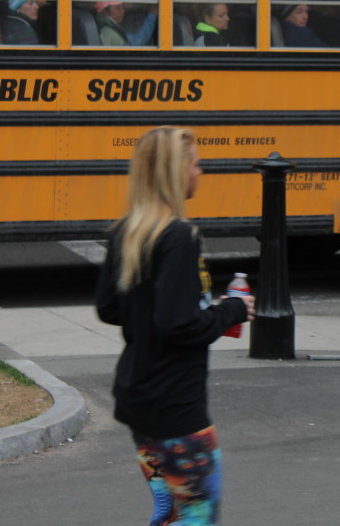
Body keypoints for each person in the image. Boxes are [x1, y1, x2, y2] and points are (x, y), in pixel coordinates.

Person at [95, 126, 255, 526]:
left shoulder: (127, 231)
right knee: (197, 516)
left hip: (138, 400)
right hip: (177, 407)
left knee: (170, 513)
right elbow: (178, 325)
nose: (200, 172)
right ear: (174, 172)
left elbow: (109, 308)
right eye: (195, 164)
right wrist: (233, 310)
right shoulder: (179, 236)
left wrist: (150, 309)